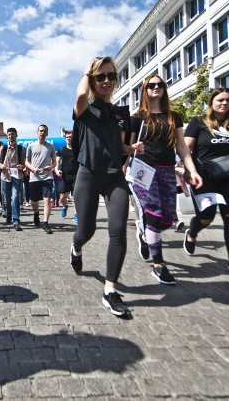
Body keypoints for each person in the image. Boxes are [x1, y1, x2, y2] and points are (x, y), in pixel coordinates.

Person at [71, 57, 143, 316]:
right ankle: (76, 247)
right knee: (86, 230)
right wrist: (85, 73)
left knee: (117, 230)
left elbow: (119, 147)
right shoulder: (85, 109)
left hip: (114, 177)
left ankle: (110, 291)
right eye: (100, 76)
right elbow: (80, 94)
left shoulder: (122, 114)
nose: (106, 81)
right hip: (88, 175)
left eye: (111, 76)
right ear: (92, 79)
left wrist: (131, 149)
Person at [129, 74, 202, 285]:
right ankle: (159, 264)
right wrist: (122, 170)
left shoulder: (173, 117)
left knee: (167, 220)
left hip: (167, 170)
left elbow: (182, 146)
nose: (156, 88)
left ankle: (144, 236)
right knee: (153, 214)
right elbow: (127, 147)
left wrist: (192, 171)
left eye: (160, 84)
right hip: (143, 169)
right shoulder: (137, 117)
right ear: (144, 90)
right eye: (151, 85)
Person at [183, 88, 229, 278]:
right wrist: (189, 171)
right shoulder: (198, 122)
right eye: (220, 100)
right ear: (211, 102)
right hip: (204, 176)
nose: (224, 103)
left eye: (228, 100)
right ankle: (192, 232)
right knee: (206, 217)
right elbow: (186, 147)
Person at [25, 124, 57, 234]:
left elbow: (54, 162)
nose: (42, 133)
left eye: (44, 131)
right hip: (34, 178)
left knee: (47, 199)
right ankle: (36, 214)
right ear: (37, 132)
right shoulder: (31, 146)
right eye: (40, 131)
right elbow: (26, 161)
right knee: (34, 201)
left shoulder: (51, 147)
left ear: (47, 133)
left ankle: (45, 223)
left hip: (47, 177)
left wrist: (51, 167)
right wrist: (33, 169)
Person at [0, 127, 25, 230]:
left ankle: (16, 221)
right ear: (7, 136)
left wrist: (21, 166)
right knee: (7, 199)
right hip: (5, 176)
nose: (11, 136)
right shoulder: (3, 148)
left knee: (15, 198)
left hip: (17, 176)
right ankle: (9, 215)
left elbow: (24, 163)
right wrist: (1, 166)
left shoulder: (21, 149)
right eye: (9, 134)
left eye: (12, 134)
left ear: (16, 135)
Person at [56, 131, 78, 222]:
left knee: (76, 196)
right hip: (65, 176)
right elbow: (57, 162)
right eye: (67, 137)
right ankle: (65, 206)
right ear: (65, 139)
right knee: (62, 198)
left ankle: (76, 215)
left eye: (70, 137)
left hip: (76, 176)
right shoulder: (61, 149)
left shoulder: (77, 149)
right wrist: (57, 170)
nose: (69, 138)